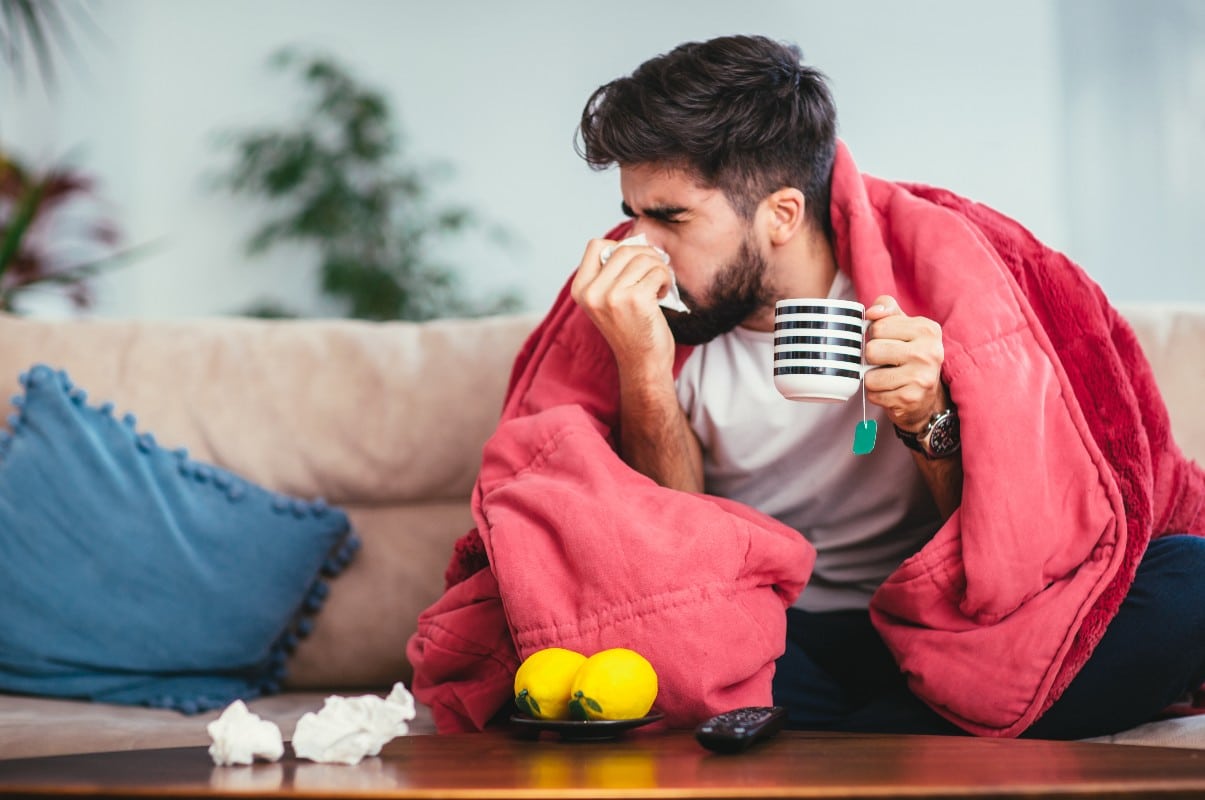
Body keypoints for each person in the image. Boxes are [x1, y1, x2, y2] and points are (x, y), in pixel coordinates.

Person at [408, 34, 1205, 739]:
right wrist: (643, 370)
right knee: (585, 644)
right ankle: (906, 733)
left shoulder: (933, 276)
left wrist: (928, 416)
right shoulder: (630, 313)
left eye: (670, 218)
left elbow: (1008, 542)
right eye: (629, 213)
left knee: (1188, 580)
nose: (635, 244)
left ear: (781, 214)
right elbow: (657, 556)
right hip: (764, 638)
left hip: (940, 624)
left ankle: (823, 735)